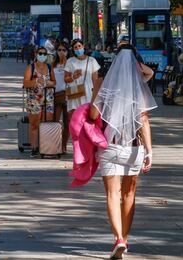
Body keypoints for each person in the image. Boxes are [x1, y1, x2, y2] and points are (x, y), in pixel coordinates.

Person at [89, 45, 156, 259]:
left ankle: (118, 238)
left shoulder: (105, 83)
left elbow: (92, 114)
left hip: (110, 145)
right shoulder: (138, 86)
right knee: (129, 195)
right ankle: (125, 240)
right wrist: (149, 150)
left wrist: (98, 87)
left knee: (112, 194)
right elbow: (143, 119)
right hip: (134, 147)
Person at [23, 46, 56, 157]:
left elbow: (54, 81)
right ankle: (33, 147)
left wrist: (48, 82)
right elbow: (26, 83)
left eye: (44, 53)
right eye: (40, 53)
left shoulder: (49, 67)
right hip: (34, 99)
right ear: (36, 54)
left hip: (48, 98)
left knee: (47, 121)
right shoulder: (31, 67)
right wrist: (36, 81)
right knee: (34, 123)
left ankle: (45, 146)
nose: (42, 55)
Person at [64, 39, 100, 122]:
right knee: (74, 119)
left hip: (88, 93)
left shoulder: (91, 61)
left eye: (79, 46)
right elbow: (66, 79)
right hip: (74, 93)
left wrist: (96, 95)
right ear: (73, 50)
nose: (78, 49)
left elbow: (95, 80)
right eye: (75, 47)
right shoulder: (70, 61)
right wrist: (73, 77)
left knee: (87, 118)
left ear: (83, 46)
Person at [52, 42, 69, 152]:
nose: (61, 52)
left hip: (68, 94)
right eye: (59, 50)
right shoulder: (53, 64)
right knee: (56, 121)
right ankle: (56, 144)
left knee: (67, 122)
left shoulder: (71, 63)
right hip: (56, 94)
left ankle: (64, 145)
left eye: (64, 50)